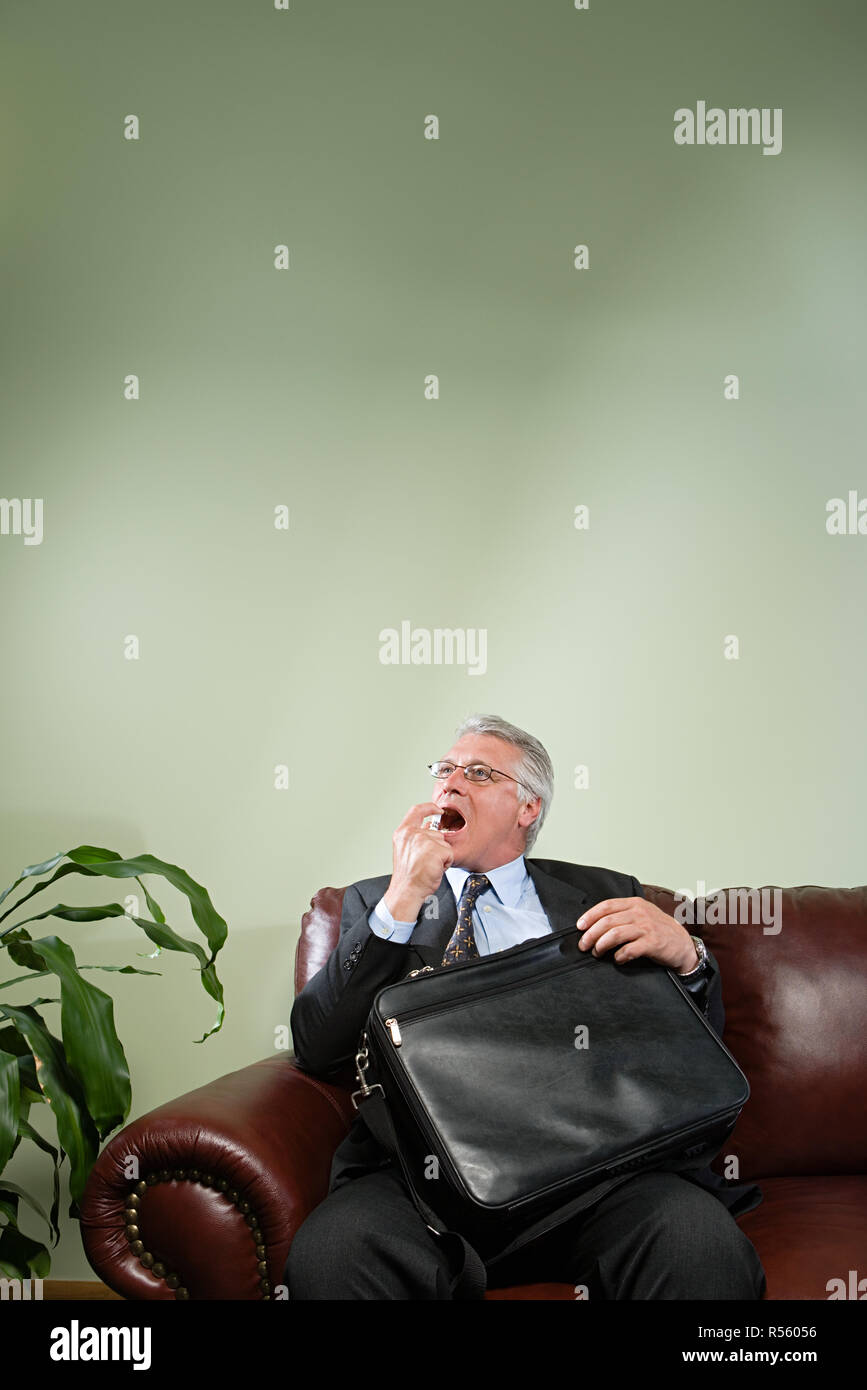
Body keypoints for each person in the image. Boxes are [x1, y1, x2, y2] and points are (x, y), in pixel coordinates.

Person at [286, 713, 766, 1300]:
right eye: (444, 770)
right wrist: (403, 897)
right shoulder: (374, 903)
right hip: (423, 1184)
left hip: (596, 1175)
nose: (450, 783)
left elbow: (687, 1045)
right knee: (334, 1256)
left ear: (527, 808)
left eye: (479, 772)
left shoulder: (605, 893)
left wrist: (689, 960)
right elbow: (316, 1047)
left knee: (697, 1245)